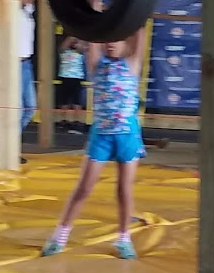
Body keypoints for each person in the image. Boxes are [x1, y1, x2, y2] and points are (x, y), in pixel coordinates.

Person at [42, 29, 146, 259]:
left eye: (117, 39)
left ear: (126, 43)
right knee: (84, 188)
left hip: (127, 137)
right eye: (107, 39)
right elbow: (92, 34)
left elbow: (140, 32)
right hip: (102, 137)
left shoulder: (132, 64)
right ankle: (60, 237)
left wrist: (138, 11)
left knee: (124, 189)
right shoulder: (96, 65)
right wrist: (95, 9)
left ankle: (124, 238)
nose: (111, 43)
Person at [19, 0, 38, 132]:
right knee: (19, 109)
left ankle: (15, 136)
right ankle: (12, 139)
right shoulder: (15, 12)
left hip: (26, 63)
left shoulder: (28, 11)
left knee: (30, 108)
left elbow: (30, 4)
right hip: (17, 63)